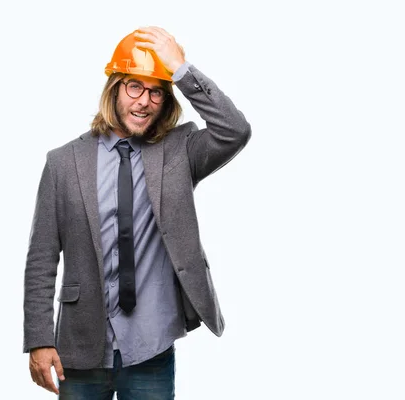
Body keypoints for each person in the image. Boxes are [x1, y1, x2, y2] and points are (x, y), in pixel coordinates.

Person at [23, 26, 251, 399]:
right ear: (114, 89)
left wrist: (182, 69)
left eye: (156, 92)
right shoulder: (63, 163)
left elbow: (235, 130)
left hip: (151, 346)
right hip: (80, 347)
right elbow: (41, 260)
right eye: (134, 87)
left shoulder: (180, 152)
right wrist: (38, 339)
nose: (144, 101)